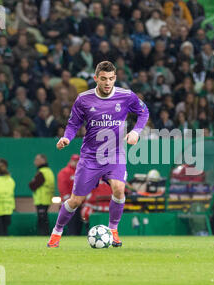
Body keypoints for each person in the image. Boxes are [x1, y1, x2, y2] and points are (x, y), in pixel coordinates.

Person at [47, 61, 150, 248]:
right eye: (103, 79)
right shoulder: (83, 99)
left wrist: (135, 132)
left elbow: (144, 113)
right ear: (96, 78)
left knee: (119, 188)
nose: (107, 82)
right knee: (76, 200)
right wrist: (67, 138)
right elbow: (73, 124)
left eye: (111, 79)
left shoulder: (126, 96)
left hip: (115, 154)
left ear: (115, 78)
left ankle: (113, 230)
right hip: (90, 157)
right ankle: (57, 231)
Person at [57, 154, 84, 235]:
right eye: (74, 161)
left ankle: (76, 237)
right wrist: (68, 199)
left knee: (79, 223)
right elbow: (62, 187)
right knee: (71, 224)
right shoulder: (65, 172)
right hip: (69, 202)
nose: (76, 163)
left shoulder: (82, 172)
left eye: (77, 161)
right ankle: (71, 236)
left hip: (79, 203)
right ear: (71, 161)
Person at [29, 154, 55, 236]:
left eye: (37, 159)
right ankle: (44, 234)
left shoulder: (42, 172)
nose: (35, 162)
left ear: (43, 160)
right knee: (44, 218)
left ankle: (43, 234)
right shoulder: (49, 171)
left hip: (42, 199)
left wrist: (32, 182)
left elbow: (33, 185)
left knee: (42, 219)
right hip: (47, 198)